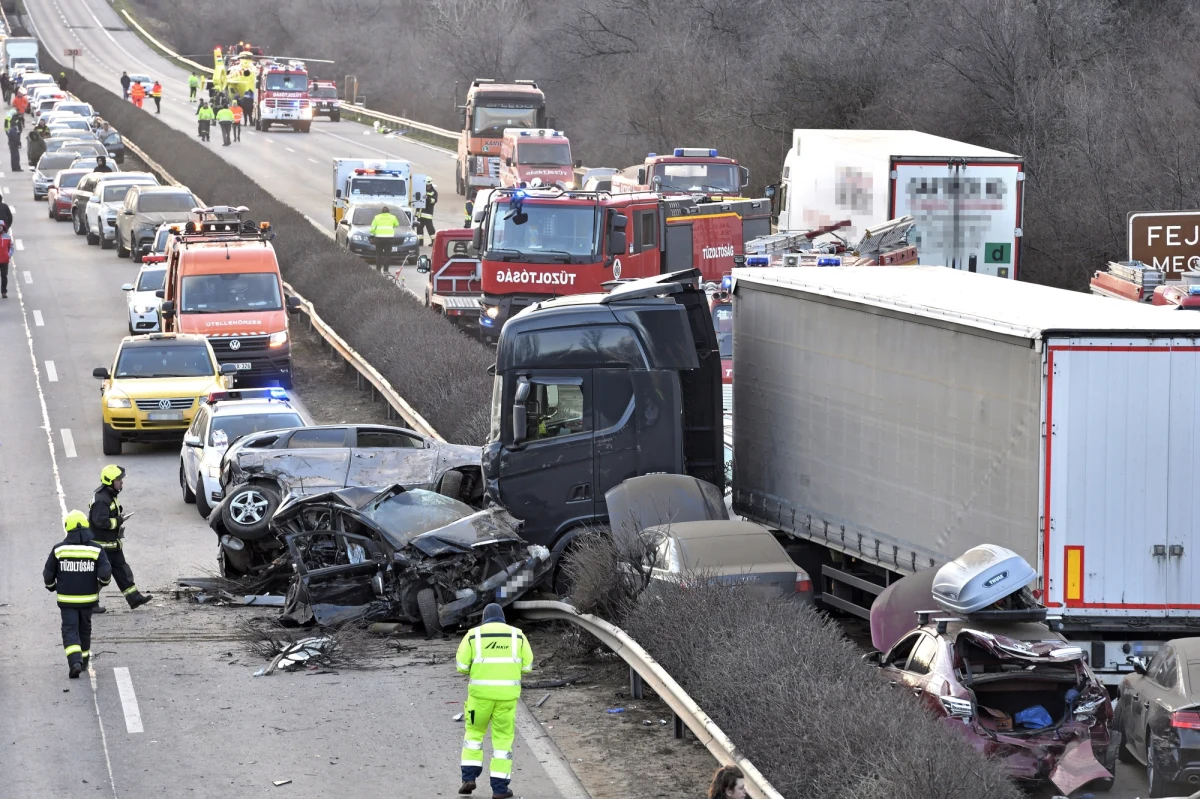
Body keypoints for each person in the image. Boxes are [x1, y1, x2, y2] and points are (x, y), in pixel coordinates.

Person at [455, 603, 532, 799]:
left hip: (479, 699)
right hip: (506, 700)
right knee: (503, 741)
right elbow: (527, 666)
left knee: (473, 735)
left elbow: (462, 666)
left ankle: (469, 778)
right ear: (503, 618)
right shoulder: (517, 635)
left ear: (484, 618)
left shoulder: (473, 635)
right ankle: (499, 789)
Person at [44, 510, 112, 679]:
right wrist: (99, 586)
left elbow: (48, 575)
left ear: (68, 528)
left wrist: (52, 587)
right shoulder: (96, 549)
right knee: (84, 629)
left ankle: (74, 662)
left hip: (66, 601)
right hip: (88, 600)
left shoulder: (59, 550)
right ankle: (84, 659)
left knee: (70, 630)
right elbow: (105, 574)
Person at [88, 465, 153, 613]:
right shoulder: (101, 499)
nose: (121, 482)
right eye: (119, 480)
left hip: (111, 544)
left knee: (122, 570)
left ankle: (134, 598)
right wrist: (118, 520)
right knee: (102, 575)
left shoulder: (109, 494)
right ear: (110, 481)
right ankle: (90, 603)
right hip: (102, 546)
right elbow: (101, 522)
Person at [368, 205, 402, 273]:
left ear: (381, 212)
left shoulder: (377, 217)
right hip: (389, 238)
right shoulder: (393, 217)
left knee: (379, 255)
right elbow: (397, 224)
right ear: (388, 212)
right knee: (387, 255)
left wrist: (372, 236)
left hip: (379, 238)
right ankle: (386, 270)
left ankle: (378, 270)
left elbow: (372, 228)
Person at [417, 181, 438, 246]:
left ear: (431, 185)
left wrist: (427, 198)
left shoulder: (434, 192)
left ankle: (434, 242)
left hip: (428, 214)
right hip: (420, 214)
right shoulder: (421, 190)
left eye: (428, 185)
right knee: (419, 229)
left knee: (430, 229)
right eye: (426, 185)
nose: (427, 187)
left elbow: (434, 201)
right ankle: (420, 242)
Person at [0, 220, 12, 299]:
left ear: (3, 227)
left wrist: (9, 255)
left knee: (4, 276)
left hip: (4, 260)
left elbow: (11, 248)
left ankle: (4, 292)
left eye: (1, 226)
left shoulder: (7, 237)